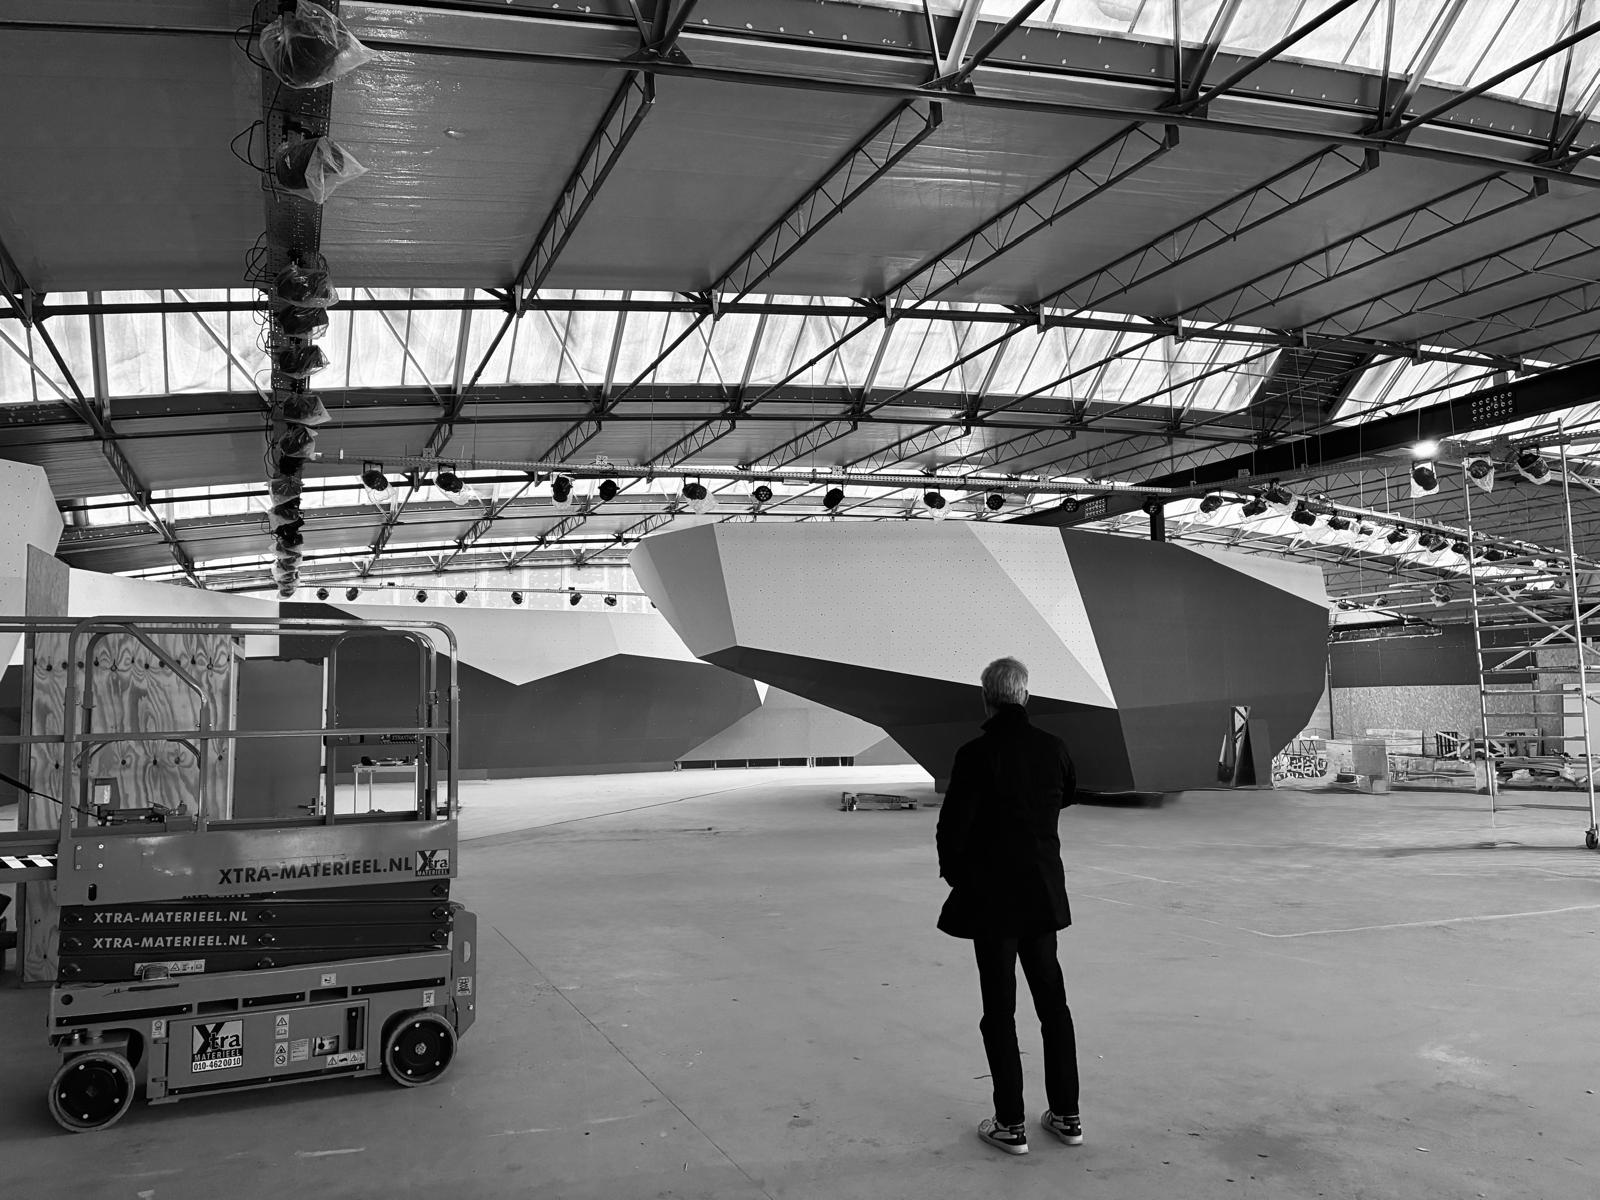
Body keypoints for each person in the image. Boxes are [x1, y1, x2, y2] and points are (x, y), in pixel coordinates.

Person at [935, 656, 1081, 1157]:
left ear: (987, 699)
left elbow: (952, 829)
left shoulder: (974, 754)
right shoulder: (1053, 748)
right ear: (1025, 696)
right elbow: (1066, 794)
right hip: (1041, 896)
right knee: (1053, 1006)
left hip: (992, 902)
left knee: (999, 1011)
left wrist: (962, 878)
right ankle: (1067, 1115)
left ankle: (1010, 1124)